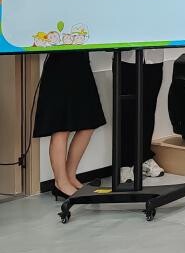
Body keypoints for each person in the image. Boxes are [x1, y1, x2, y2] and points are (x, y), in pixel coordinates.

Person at [33, 50, 107, 198]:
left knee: (88, 124)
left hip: (81, 64)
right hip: (59, 66)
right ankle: (60, 183)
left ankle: (70, 177)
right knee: (61, 128)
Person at [118, 49, 166, 181]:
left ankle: (144, 157)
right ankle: (125, 163)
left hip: (154, 59)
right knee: (126, 112)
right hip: (126, 60)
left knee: (148, 111)